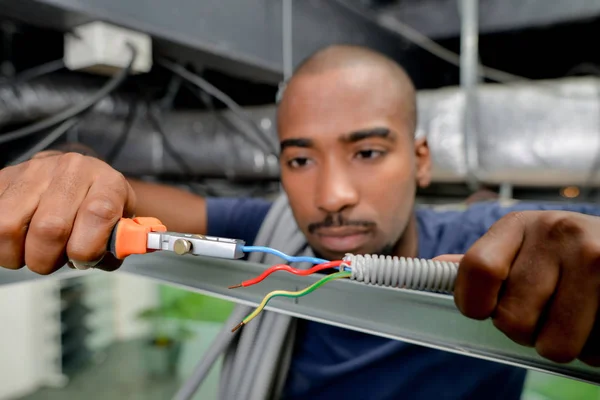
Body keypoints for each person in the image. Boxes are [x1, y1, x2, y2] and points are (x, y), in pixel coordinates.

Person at [1, 44, 600, 399]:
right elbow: (126, 203)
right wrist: (68, 175)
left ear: (420, 161)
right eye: (300, 159)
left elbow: (573, 246)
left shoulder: (494, 250)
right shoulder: (267, 231)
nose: (331, 195)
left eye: (367, 153)